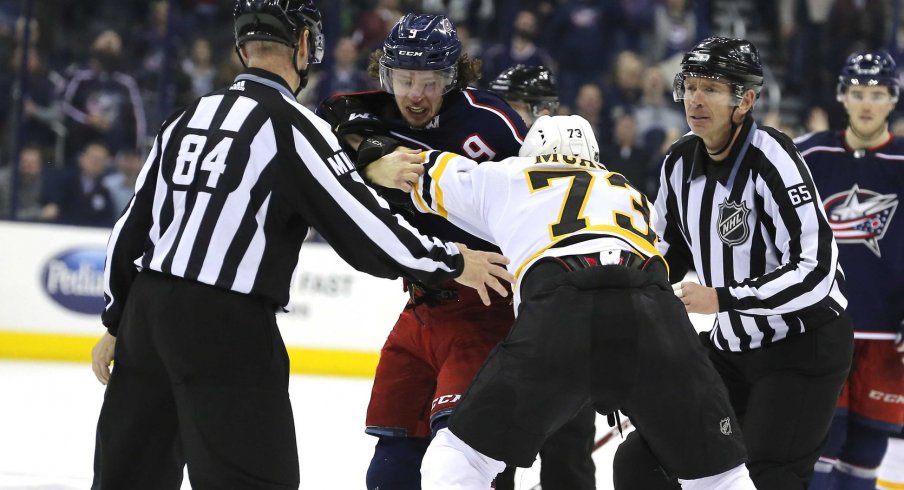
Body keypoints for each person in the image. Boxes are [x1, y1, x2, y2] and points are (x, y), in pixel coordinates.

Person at [89, 2, 512, 488]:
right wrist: (452, 260)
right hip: (227, 323)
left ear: (240, 48)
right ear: (306, 46)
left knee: (128, 475)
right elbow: (364, 230)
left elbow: (130, 227)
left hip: (145, 315)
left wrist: (116, 320)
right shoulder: (294, 126)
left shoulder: (187, 116)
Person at [406, 114, 755, 490]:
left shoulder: (510, 175)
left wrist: (370, 149)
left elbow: (412, 170)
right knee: (721, 478)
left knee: (460, 459)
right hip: (655, 312)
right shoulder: (633, 193)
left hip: (561, 310)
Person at [318, 14, 593, 490]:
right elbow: (326, 121)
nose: (416, 94)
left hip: (486, 312)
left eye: (431, 81)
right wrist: (372, 157)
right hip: (419, 312)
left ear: (454, 77)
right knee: (389, 472)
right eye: (404, 79)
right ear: (386, 75)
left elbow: (550, 206)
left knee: (471, 462)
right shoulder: (371, 113)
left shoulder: (493, 124)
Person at [635, 37, 854, 489]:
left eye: (711, 89)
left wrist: (722, 297)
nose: (695, 99)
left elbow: (816, 270)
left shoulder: (773, 157)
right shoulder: (677, 162)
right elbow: (666, 253)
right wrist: (628, 302)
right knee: (641, 461)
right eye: (690, 86)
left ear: (745, 100)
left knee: (766, 476)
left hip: (802, 346)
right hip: (732, 348)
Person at [794, 50, 904, 490]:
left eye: (877, 94)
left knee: (865, 453)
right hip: (824, 328)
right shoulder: (809, 155)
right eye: (857, 93)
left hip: (888, 337)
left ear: (893, 100)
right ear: (842, 96)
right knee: (823, 445)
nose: (866, 104)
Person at [488, 62, 598, 489]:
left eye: (514, 108)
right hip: (502, 330)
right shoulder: (493, 168)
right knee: (495, 455)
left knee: (568, 457)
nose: (504, 118)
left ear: (543, 111)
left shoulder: (571, 171)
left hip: (563, 332)